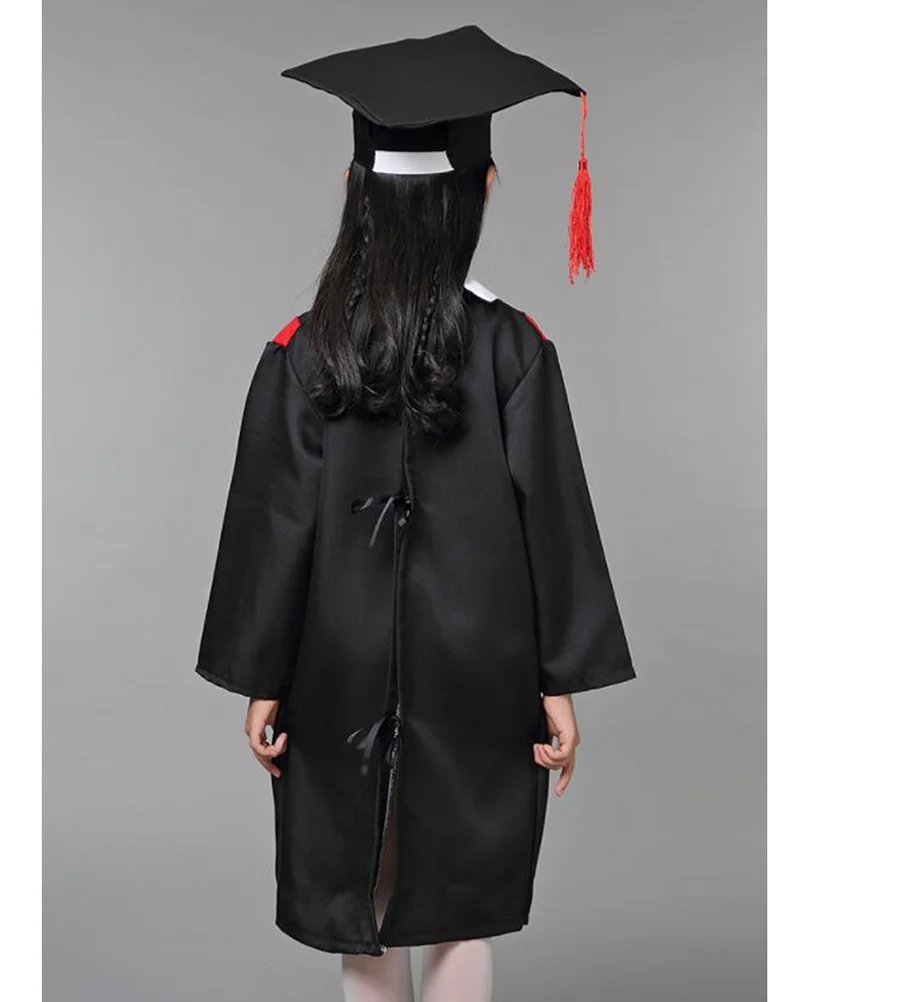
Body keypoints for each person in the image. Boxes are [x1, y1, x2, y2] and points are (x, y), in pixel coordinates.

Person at [196, 26, 635, 1002]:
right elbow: (552, 517)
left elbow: (274, 521)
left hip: (334, 664)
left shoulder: (306, 348)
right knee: (460, 901)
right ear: (480, 191)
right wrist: (558, 680)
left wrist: (263, 676)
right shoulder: (513, 347)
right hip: (482, 664)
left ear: (357, 191)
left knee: (364, 893)